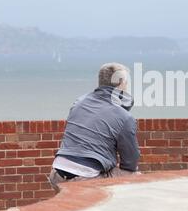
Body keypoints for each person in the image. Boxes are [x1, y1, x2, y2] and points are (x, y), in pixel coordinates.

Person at [48, 62, 141, 191]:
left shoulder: (79, 102)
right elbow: (131, 162)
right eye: (126, 83)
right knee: (135, 176)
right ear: (121, 84)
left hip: (57, 174)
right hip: (85, 179)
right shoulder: (125, 117)